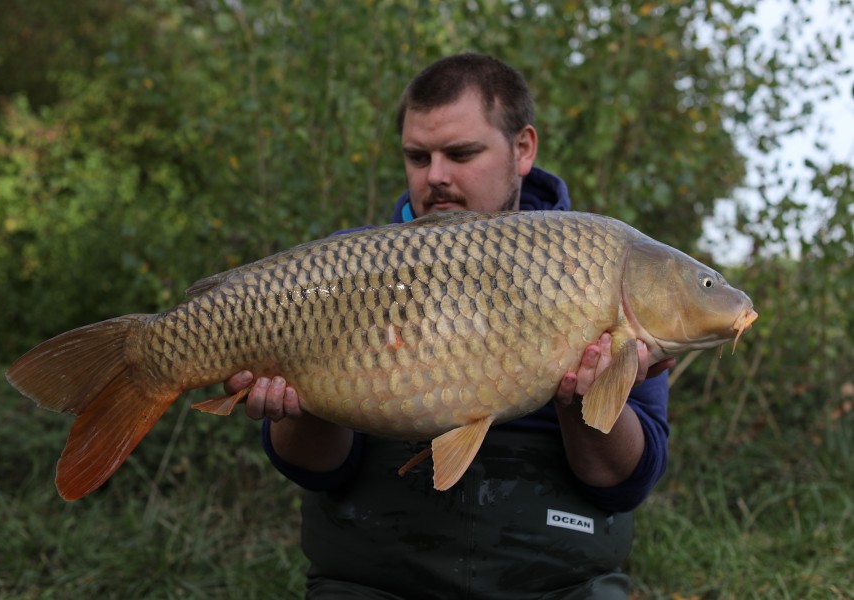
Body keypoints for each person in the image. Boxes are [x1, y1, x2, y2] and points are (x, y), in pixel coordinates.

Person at [226, 53, 675, 599]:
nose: (435, 176)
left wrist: (585, 399)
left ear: (523, 148)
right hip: (376, 574)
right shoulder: (343, 275)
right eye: (418, 157)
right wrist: (300, 412)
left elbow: (625, 483)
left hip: (556, 578)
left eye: (461, 154)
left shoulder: (602, 266)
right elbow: (321, 470)